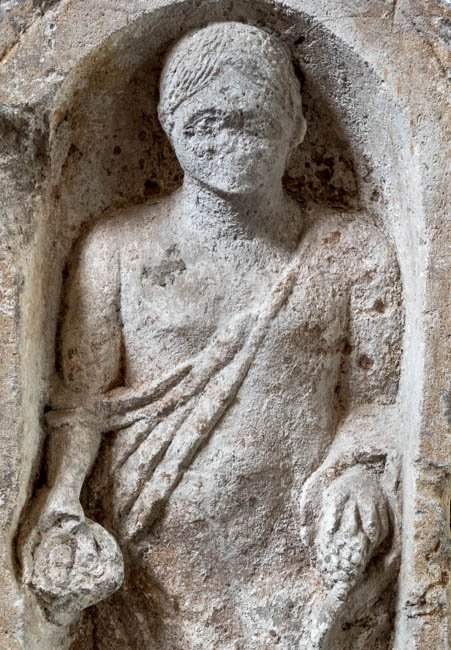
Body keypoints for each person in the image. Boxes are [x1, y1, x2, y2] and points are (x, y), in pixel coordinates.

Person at [27, 22, 403, 649]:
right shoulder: (115, 248)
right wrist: (63, 500)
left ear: (297, 127)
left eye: (253, 122)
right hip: (146, 544)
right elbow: (81, 402)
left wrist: (358, 474)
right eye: (206, 123)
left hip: (292, 549)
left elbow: (378, 402)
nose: (230, 144)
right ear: (168, 125)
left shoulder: (350, 251)